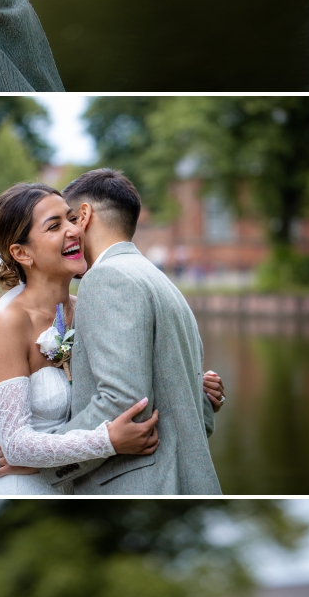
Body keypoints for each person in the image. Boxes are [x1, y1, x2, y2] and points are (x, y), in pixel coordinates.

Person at [0, 183, 223, 495]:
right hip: (29, 489)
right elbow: (15, 445)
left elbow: (130, 390)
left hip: (81, 486)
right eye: (54, 226)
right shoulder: (9, 322)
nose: (74, 230)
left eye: (71, 218)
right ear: (22, 253)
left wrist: (196, 392)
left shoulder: (91, 307)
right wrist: (107, 441)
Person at [42, 169, 222, 495]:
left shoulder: (107, 278)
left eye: (68, 221)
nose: (66, 234)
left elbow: (124, 403)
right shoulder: (161, 281)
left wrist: (42, 457)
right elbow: (200, 418)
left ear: (84, 216)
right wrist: (201, 394)